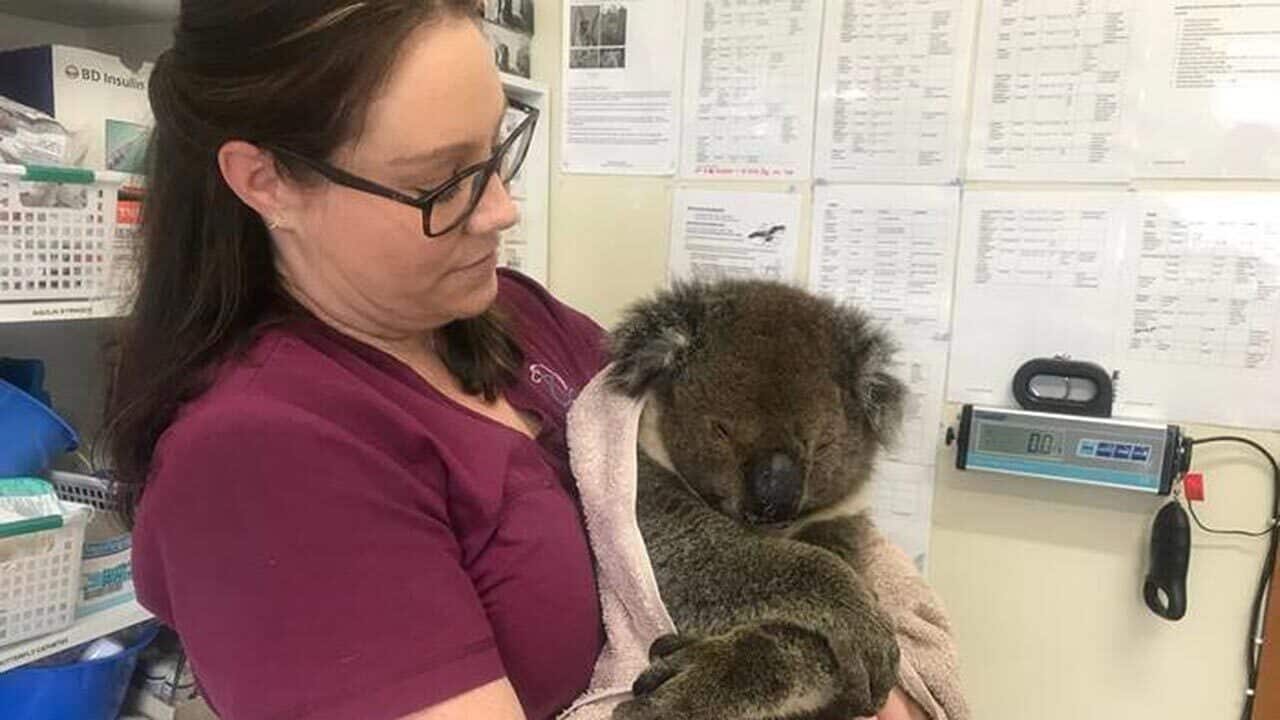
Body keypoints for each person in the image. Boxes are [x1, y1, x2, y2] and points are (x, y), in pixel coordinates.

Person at [106, 2, 932, 719]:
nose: (500, 207)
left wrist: (857, 630)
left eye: (498, 149)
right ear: (268, 181)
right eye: (441, 182)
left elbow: (740, 534)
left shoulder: (520, 317)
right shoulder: (265, 460)